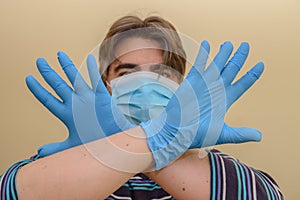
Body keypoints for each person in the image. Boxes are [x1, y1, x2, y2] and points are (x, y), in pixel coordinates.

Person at [0, 16, 283, 200]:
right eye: (127, 72)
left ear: (182, 87)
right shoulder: (67, 160)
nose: (145, 84)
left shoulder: (214, 166)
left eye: (162, 73)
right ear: (106, 85)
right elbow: (9, 191)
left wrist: (130, 146)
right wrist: (150, 142)